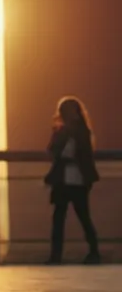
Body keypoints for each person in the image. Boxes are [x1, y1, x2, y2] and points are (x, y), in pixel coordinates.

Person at [46, 96, 101, 265]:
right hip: (66, 179)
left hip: (75, 180)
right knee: (63, 218)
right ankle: (58, 255)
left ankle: (91, 252)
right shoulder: (64, 132)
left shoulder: (80, 132)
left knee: (80, 216)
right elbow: (52, 150)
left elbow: (82, 157)